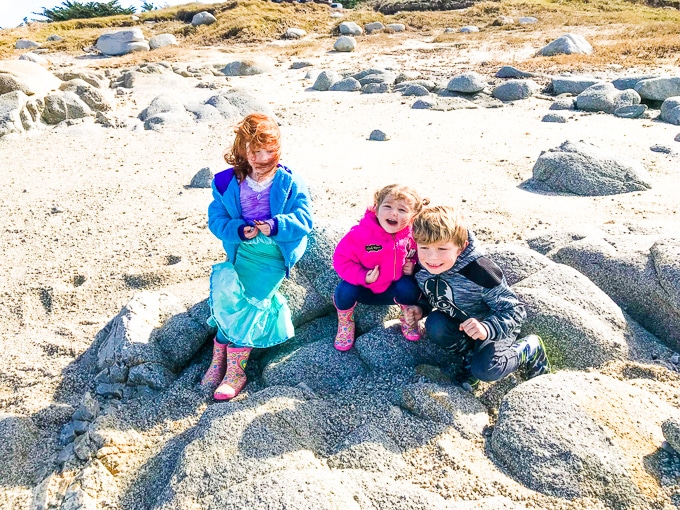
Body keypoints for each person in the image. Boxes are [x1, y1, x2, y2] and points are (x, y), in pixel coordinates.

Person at [201, 113, 313, 400]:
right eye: (256, 151)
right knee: (230, 298)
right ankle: (219, 359)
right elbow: (216, 220)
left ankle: (236, 371)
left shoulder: (289, 181)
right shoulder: (227, 183)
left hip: (275, 252)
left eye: (270, 150)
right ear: (242, 151)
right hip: (245, 250)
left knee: (250, 303)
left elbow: (304, 220)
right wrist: (238, 230)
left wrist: (276, 226)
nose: (264, 157)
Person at [404, 205, 550, 389]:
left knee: (487, 370)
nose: (432, 257)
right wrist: (421, 308)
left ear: (461, 247)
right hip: (461, 324)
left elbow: (516, 311)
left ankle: (530, 348)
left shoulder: (480, 272)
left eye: (442, 248)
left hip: (494, 327)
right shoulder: (422, 266)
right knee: (435, 324)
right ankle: (470, 356)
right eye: (424, 247)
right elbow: (432, 292)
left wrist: (487, 328)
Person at [332, 184, 429, 351]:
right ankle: (345, 322)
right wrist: (362, 276)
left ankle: (408, 316)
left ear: (413, 217)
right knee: (344, 290)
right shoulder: (360, 234)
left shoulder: (412, 235)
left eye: (402, 210)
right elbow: (340, 260)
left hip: (392, 291)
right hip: (365, 289)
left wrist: (412, 264)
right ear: (376, 209)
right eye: (387, 206)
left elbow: (418, 254)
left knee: (410, 288)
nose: (393, 213)